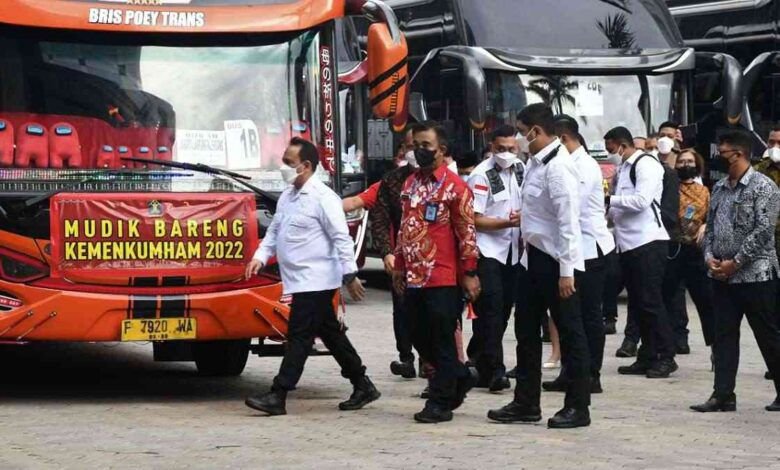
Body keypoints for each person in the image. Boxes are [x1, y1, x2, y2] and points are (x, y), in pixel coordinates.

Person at [244, 137, 380, 416]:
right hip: (298, 278)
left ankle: (279, 393)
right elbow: (274, 233)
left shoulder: (323, 198)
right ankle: (362, 384)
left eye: (288, 163)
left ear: (306, 166)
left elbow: (341, 238)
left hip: (317, 279)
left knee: (299, 336)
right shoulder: (287, 196)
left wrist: (350, 274)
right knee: (331, 334)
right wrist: (259, 257)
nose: (283, 167)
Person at [488, 104, 591, 429]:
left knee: (571, 335)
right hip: (530, 259)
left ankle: (578, 406)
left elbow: (568, 222)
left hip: (555, 262)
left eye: (522, 130)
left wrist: (566, 271)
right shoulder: (535, 163)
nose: (519, 137)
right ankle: (526, 402)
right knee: (525, 332)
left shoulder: (558, 167)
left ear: (537, 130)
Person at [393, 121, 480, 423]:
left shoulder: (456, 188)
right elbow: (405, 228)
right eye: (416, 144)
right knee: (417, 334)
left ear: (441, 150)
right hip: (413, 275)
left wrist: (469, 272)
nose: (420, 150)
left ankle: (441, 401)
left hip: (442, 276)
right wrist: (399, 264)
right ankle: (458, 374)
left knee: (442, 338)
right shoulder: (410, 184)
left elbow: (466, 232)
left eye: (426, 145)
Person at [691, 130, 780, 413]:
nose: (718, 157)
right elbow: (712, 228)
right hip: (721, 275)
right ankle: (723, 394)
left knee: (768, 336)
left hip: (756, 276)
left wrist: (737, 262)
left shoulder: (763, 187)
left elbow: (764, 231)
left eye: (723, 153)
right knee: (724, 336)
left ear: (739, 154)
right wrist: (709, 258)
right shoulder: (718, 189)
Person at [543, 115, 615, 395]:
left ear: (562, 139)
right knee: (567, 315)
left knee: (588, 316)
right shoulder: (567, 163)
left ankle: (591, 374)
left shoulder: (583, 166)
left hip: (590, 248)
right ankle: (571, 371)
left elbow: (570, 208)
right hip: (573, 250)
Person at [605, 126, 678, 378]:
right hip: (627, 244)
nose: (610, 154)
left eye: (611, 149)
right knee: (638, 303)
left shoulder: (646, 165)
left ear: (622, 145)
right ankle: (647, 355)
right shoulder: (623, 168)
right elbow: (618, 210)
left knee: (651, 301)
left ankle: (666, 356)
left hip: (649, 242)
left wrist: (609, 200)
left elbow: (641, 201)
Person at [466, 125, 523, 392]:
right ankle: (495, 371)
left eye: (511, 149)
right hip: (488, 250)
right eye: (501, 149)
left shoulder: (521, 170)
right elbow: (475, 219)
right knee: (491, 311)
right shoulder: (481, 175)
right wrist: (505, 224)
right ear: (492, 147)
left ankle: (478, 357)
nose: (507, 153)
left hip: (514, 252)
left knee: (502, 312)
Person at [372, 127, 419, 379]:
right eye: (410, 147)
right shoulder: (391, 180)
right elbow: (379, 219)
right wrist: (387, 253)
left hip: (432, 258)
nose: (414, 152)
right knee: (401, 307)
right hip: (401, 256)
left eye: (420, 146)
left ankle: (431, 361)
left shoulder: (441, 180)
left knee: (431, 311)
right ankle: (406, 358)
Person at [663, 149, 715, 355]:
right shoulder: (669, 188)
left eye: (690, 161)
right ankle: (670, 344)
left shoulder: (704, 191)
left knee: (706, 300)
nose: (685, 165)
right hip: (671, 248)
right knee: (669, 298)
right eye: (682, 162)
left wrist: (705, 226)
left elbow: (712, 216)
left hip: (695, 251)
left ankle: (716, 347)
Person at [754, 125, 780, 381]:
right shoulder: (760, 170)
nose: (774, 148)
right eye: (771, 141)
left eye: (779, 143)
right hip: (767, 247)